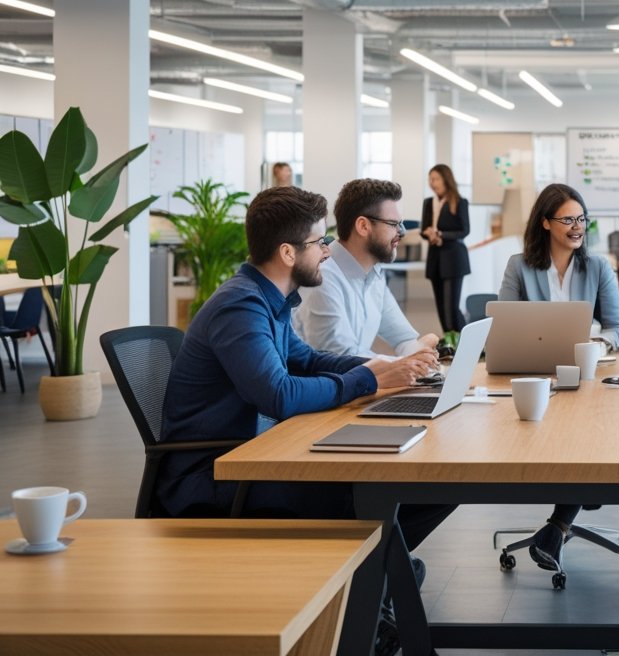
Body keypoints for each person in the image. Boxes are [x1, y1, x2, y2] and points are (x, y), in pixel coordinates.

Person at [157, 185, 455, 536]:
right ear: (287, 253)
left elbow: (310, 360)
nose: (327, 253)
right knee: (394, 489)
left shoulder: (269, 301)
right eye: (318, 243)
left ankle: (381, 573)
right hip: (215, 475)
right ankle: (378, 576)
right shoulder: (241, 307)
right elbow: (279, 395)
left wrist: (386, 371)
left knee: (425, 486)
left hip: (253, 454)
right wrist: (369, 380)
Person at [498, 182, 619, 572]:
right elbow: (503, 323)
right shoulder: (519, 265)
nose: (577, 226)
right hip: (534, 375)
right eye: (568, 219)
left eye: (582, 218)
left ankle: (558, 525)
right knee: (570, 449)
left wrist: (597, 345)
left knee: (586, 441)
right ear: (545, 222)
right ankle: (560, 522)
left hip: (585, 378)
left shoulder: (598, 266)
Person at [295, 178, 439, 359]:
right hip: (330, 382)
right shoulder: (322, 277)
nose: (401, 232)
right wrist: (404, 364)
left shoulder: (374, 273)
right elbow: (341, 358)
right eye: (394, 224)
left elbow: (403, 338)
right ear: (363, 226)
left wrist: (419, 354)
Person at [421, 164, 471, 333]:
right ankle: (450, 342)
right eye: (430, 179)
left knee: (451, 308)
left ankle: (465, 341)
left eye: (435, 179)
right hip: (435, 258)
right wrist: (428, 233)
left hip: (454, 259)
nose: (432, 183)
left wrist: (440, 234)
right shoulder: (428, 203)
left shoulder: (459, 202)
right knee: (441, 308)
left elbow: (464, 231)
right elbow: (423, 230)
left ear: (446, 179)